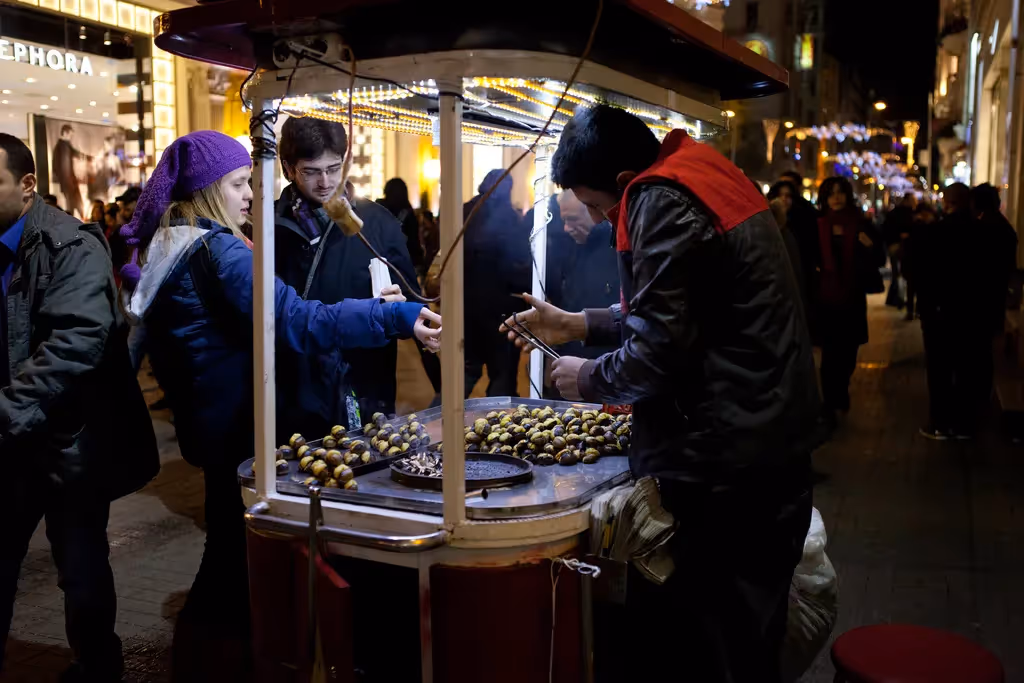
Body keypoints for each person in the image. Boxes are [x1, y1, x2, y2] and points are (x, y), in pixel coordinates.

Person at [506, 105, 820, 683]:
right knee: (741, 644)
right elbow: (680, 308)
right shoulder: (698, 170)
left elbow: (660, 351)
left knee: (716, 650)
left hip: (731, 469)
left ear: (624, 183)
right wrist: (578, 323)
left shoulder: (662, 200)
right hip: (762, 448)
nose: (602, 222)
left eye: (600, 207)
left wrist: (588, 377)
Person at [118, 131, 440, 679]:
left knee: (229, 552)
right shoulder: (216, 248)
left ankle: (217, 657)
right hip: (237, 425)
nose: (250, 195)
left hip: (212, 423)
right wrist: (391, 317)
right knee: (229, 561)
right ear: (209, 189)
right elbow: (296, 319)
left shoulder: (173, 242)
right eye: (240, 184)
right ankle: (212, 663)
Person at [0, 133, 159, 682]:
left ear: (26, 185)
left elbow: (76, 342)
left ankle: (97, 668)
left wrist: (6, 411)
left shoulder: (71, 244)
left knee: (82, 570)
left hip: (70, 445)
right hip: (13, 442)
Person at [274, 117, 438, 434]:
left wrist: (401, 310)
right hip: (293, 388)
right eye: (311, 171)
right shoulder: (268, 228)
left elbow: (411, 304)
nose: (325, 181)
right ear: (288, 167)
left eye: (333, 169)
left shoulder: (379, 224)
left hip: (364, 387)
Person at [812, 177, 885, 417]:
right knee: (830, 353)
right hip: (826, 299)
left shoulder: (861, 224)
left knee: (849, 353)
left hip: (852, 297)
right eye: (831, 193)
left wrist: (869, 246)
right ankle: (832, 400)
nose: (836, 197)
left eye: (840, 193)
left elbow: (879, 259)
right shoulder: (817, 224)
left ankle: (840, 391)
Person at [915, 182, 981, 439]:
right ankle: (964, 423)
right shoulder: (980, 232)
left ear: (947, 202)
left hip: (941, 312)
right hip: (970, 311)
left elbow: (925, 271)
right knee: (966, 368)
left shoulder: (938, 231)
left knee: (940, 369)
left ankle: (941, 422)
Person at [464, 169, 530, 397]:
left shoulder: (464, 212)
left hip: (465, 309)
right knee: (502, 377)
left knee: (462, 375)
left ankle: (439, 422)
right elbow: (520, 268)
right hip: (501, 313)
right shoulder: (509, 218)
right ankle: (495, 426)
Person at [546, 190, 619, 358]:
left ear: (595, 211)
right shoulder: (572, 247)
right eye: (564, 220)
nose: (566, 228)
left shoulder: (616, 249)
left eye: (572, 219)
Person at [970, 183, 1018, 416]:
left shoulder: (983, 229)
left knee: (978, 350)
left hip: (981, 298)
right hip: (994, 297)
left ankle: (979, 396)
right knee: (985, 349)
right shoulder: (1004, 229)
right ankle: (982, 394)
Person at [767, 180, 810, 313]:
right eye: (780, 195)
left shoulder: (801, 224)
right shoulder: (766, 226)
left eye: (788, 196)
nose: (784, 199)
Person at [378, 177, 426, 277]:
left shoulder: (378, 208)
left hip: (380, 259)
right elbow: (413, 242)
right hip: (402, 262)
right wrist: (419, 263)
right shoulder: (408, 212)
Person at [902, 202, 938, 320]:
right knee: (919, 288)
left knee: (913, 287)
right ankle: (916, 310)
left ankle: (912, 310)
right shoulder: (928, 226)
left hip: (915, 261)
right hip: (921, 262)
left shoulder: (913, 224)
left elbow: (906, 242)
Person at [881, 195, 917, 308]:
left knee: (897, 274)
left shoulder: (895, 213)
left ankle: (896, 298)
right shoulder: (908, 214)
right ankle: (899, 298)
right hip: (902, 247)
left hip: (895, 246)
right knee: (902, 274)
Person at [52, 124, 87, 218]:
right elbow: (55, 167)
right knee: (71, 204)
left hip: (71, 181)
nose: (71, 137)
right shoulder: (59, 147)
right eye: (70, 135)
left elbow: (76, 153)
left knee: (77, 203)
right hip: (67, 182)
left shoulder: (66, 145)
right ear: (65, 133)